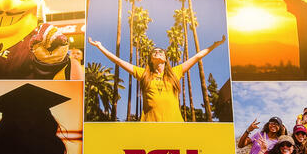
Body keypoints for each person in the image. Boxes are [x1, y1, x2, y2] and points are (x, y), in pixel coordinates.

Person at [88, 36, 226, 122]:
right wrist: (100, 47)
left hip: (175, 124)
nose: (158, 52)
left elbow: (196, 57)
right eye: (154, 51)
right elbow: (118, 61)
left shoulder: (175, 72)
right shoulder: (143, 73)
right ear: (151, 59)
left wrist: (214, 45)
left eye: (161, 51)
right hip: (149, 125)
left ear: (166, 59)